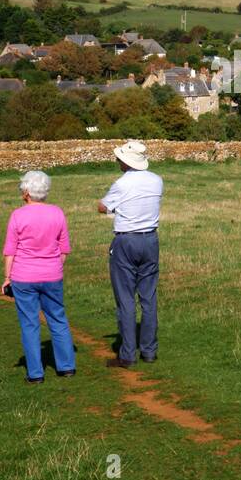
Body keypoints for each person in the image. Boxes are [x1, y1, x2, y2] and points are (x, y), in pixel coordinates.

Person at [2, 170, 75, 382]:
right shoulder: (57, 213)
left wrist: (8, 277)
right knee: (57, 319)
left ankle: (35, 373)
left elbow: (10, 251)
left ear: (26, 192)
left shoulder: (17, 215)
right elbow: (64, 249)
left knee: (29, 323)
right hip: (52, 274)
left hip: (23, 276)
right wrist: (54, 266)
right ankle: (66, 366)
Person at [98, 141, 163, 368]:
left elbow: (102, 206)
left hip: (126, 240)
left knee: (125, 299)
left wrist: (113, 207)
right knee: (148, 297)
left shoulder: (121, 184)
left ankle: (127, 354)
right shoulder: (156, 180)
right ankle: (149, 350)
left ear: (126, 162)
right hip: (150, 239)